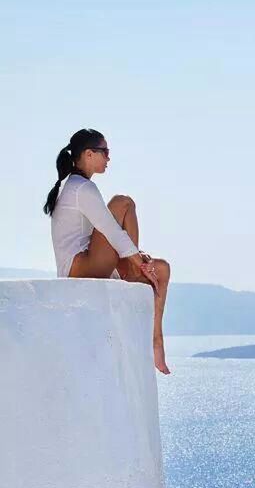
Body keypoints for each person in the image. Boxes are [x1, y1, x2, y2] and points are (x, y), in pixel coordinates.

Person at [44, 128, 171, 375]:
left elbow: (106, 233)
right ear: (89, 154)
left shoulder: (79, 186)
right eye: (105, 152)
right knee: (124, 202)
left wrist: (135, 254)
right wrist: (136, 256)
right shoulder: (81, 188)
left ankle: (156, 342)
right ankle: (135, 269)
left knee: (162, 269)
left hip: (92, 262)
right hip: (80, 267)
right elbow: (110, 230)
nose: (108, 158)